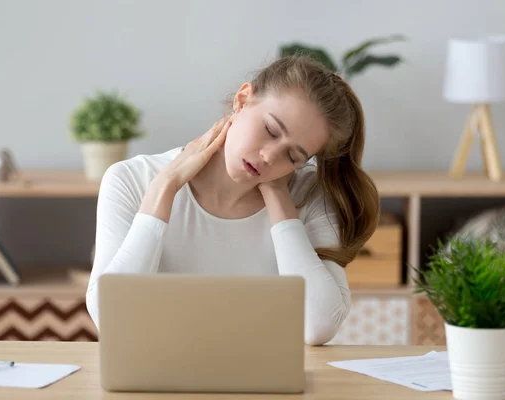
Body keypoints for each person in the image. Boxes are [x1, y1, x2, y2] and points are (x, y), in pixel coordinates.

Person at [85, 55, 380, 346]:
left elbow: (317, 326)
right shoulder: (131, 179)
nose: (269, 156)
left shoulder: (309, 197)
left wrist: (279, 199)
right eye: (271, 130)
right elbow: (110, 319)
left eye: (292, 156)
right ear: (242, 100)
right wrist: (164, 187)